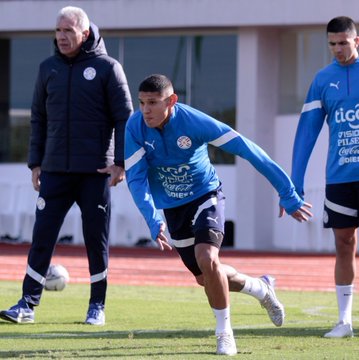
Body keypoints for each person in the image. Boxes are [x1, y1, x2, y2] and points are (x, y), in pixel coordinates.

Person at [124, 74, 313, 355]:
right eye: (141, 103)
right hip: (172, 208)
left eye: (152, 103)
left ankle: (224, 333)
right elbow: (135, 178)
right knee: (206, 277)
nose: (146, 110)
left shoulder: (195, 123)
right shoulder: (135, 126)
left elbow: (249, 150)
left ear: (172, 101)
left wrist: (287, 192)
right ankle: (260, 289)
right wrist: (153, 219)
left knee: (208, 258)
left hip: (205, 196)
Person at [0, 6, 133, 326]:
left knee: (95, 240)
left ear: (84, 34)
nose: (61, 36)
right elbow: (38, 118)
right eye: (58, 31)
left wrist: (120, 164)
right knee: (41, 237)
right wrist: (36, 163)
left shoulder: (108, 68)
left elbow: (124, 119)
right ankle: (27, 304)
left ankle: (97, 306)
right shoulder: (48, 69)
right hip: (55, 171)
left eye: (68, 31)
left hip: (95, 172)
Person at [291, 16, 359, 339]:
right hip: (340, 178)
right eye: (332, 44)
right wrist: (295, 180)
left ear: (356, 40)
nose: (337, 50)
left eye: (343, 43)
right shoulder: (322, 80)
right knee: (343, 244)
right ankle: (344, 322)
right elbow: (307, 132)